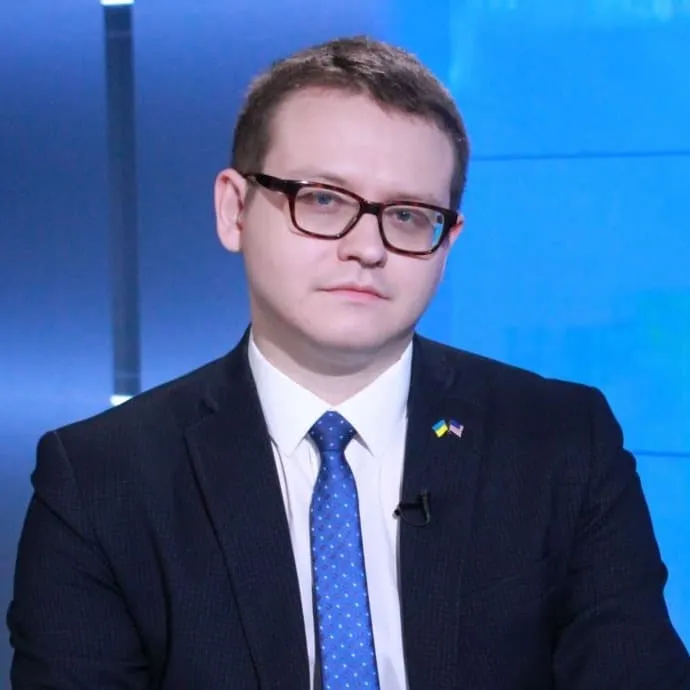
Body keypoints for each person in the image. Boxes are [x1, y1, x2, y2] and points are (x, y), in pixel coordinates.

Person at [6, 35, 690, 690]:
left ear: (447, 242)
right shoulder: (100, 481)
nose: (367, 247)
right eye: (324, 199)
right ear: (234, 210)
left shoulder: (562, 441)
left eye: (408, 214)